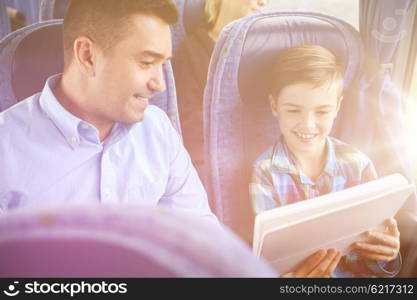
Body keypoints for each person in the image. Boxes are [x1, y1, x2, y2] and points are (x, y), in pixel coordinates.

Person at [0, 0, 216, 223]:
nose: (160, 85)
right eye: (146, 62)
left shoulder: (157, 130)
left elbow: (202, 238)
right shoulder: (6, 150)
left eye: (161, 65)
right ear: (87, 56)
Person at [250, 44, 401, 277]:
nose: (308, 124)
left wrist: (385, 254)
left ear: (337, 107)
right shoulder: (264, 173)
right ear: (274, 106)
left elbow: (370, 255)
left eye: (321, 112)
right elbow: (270, 260)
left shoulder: (358, 165)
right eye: (293, 110)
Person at [173, 0, 268, 181]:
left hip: (259, 155)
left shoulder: (262, 50)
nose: (263, 2)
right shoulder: (192, 50)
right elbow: (190, 121)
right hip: (214, 157)